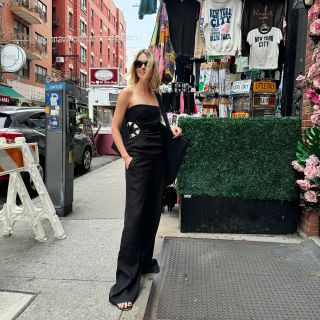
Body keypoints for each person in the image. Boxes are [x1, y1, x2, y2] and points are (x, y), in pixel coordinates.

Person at [109, 48, 182, 311]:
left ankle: (144, 262)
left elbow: (159, 126)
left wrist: (171, 128)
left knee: (152, 215)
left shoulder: (156, 95)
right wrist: (127, 158)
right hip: (138, 162)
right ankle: (125, 284)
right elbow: (115, 128)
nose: (142, 67)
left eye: (146, 64)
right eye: (138, 63)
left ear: (153, 68)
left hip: (158, 161)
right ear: (134, 66)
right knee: (135, 219)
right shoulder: (127, 93)